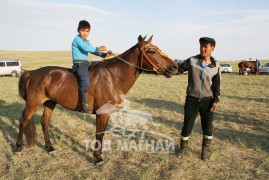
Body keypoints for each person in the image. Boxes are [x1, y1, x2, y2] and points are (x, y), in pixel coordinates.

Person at [177, 37, 221, 161]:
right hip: (192, 99)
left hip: (207, 101)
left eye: (205, 47)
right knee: (187, 126)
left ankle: (204, 151)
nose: (202, 49)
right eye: (201, 46)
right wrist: (165, 68)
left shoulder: (216, 66)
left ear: (212, 49)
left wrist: (216, 100)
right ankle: (182, 149)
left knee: (207, 127)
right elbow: (178, 69)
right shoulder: (192, 61)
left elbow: (217, 85)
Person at [72, 20, 112, 113]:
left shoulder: (86, 41)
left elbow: (92, 50)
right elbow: (86, 48)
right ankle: (84, 104)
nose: (85, 33)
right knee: (85, 81)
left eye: (87, 31)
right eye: (83, 30)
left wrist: (103, 55)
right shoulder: (77, 40)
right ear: (78, 30)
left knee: (100, 66)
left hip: (86, 63)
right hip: (79, 64)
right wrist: (99, 48)